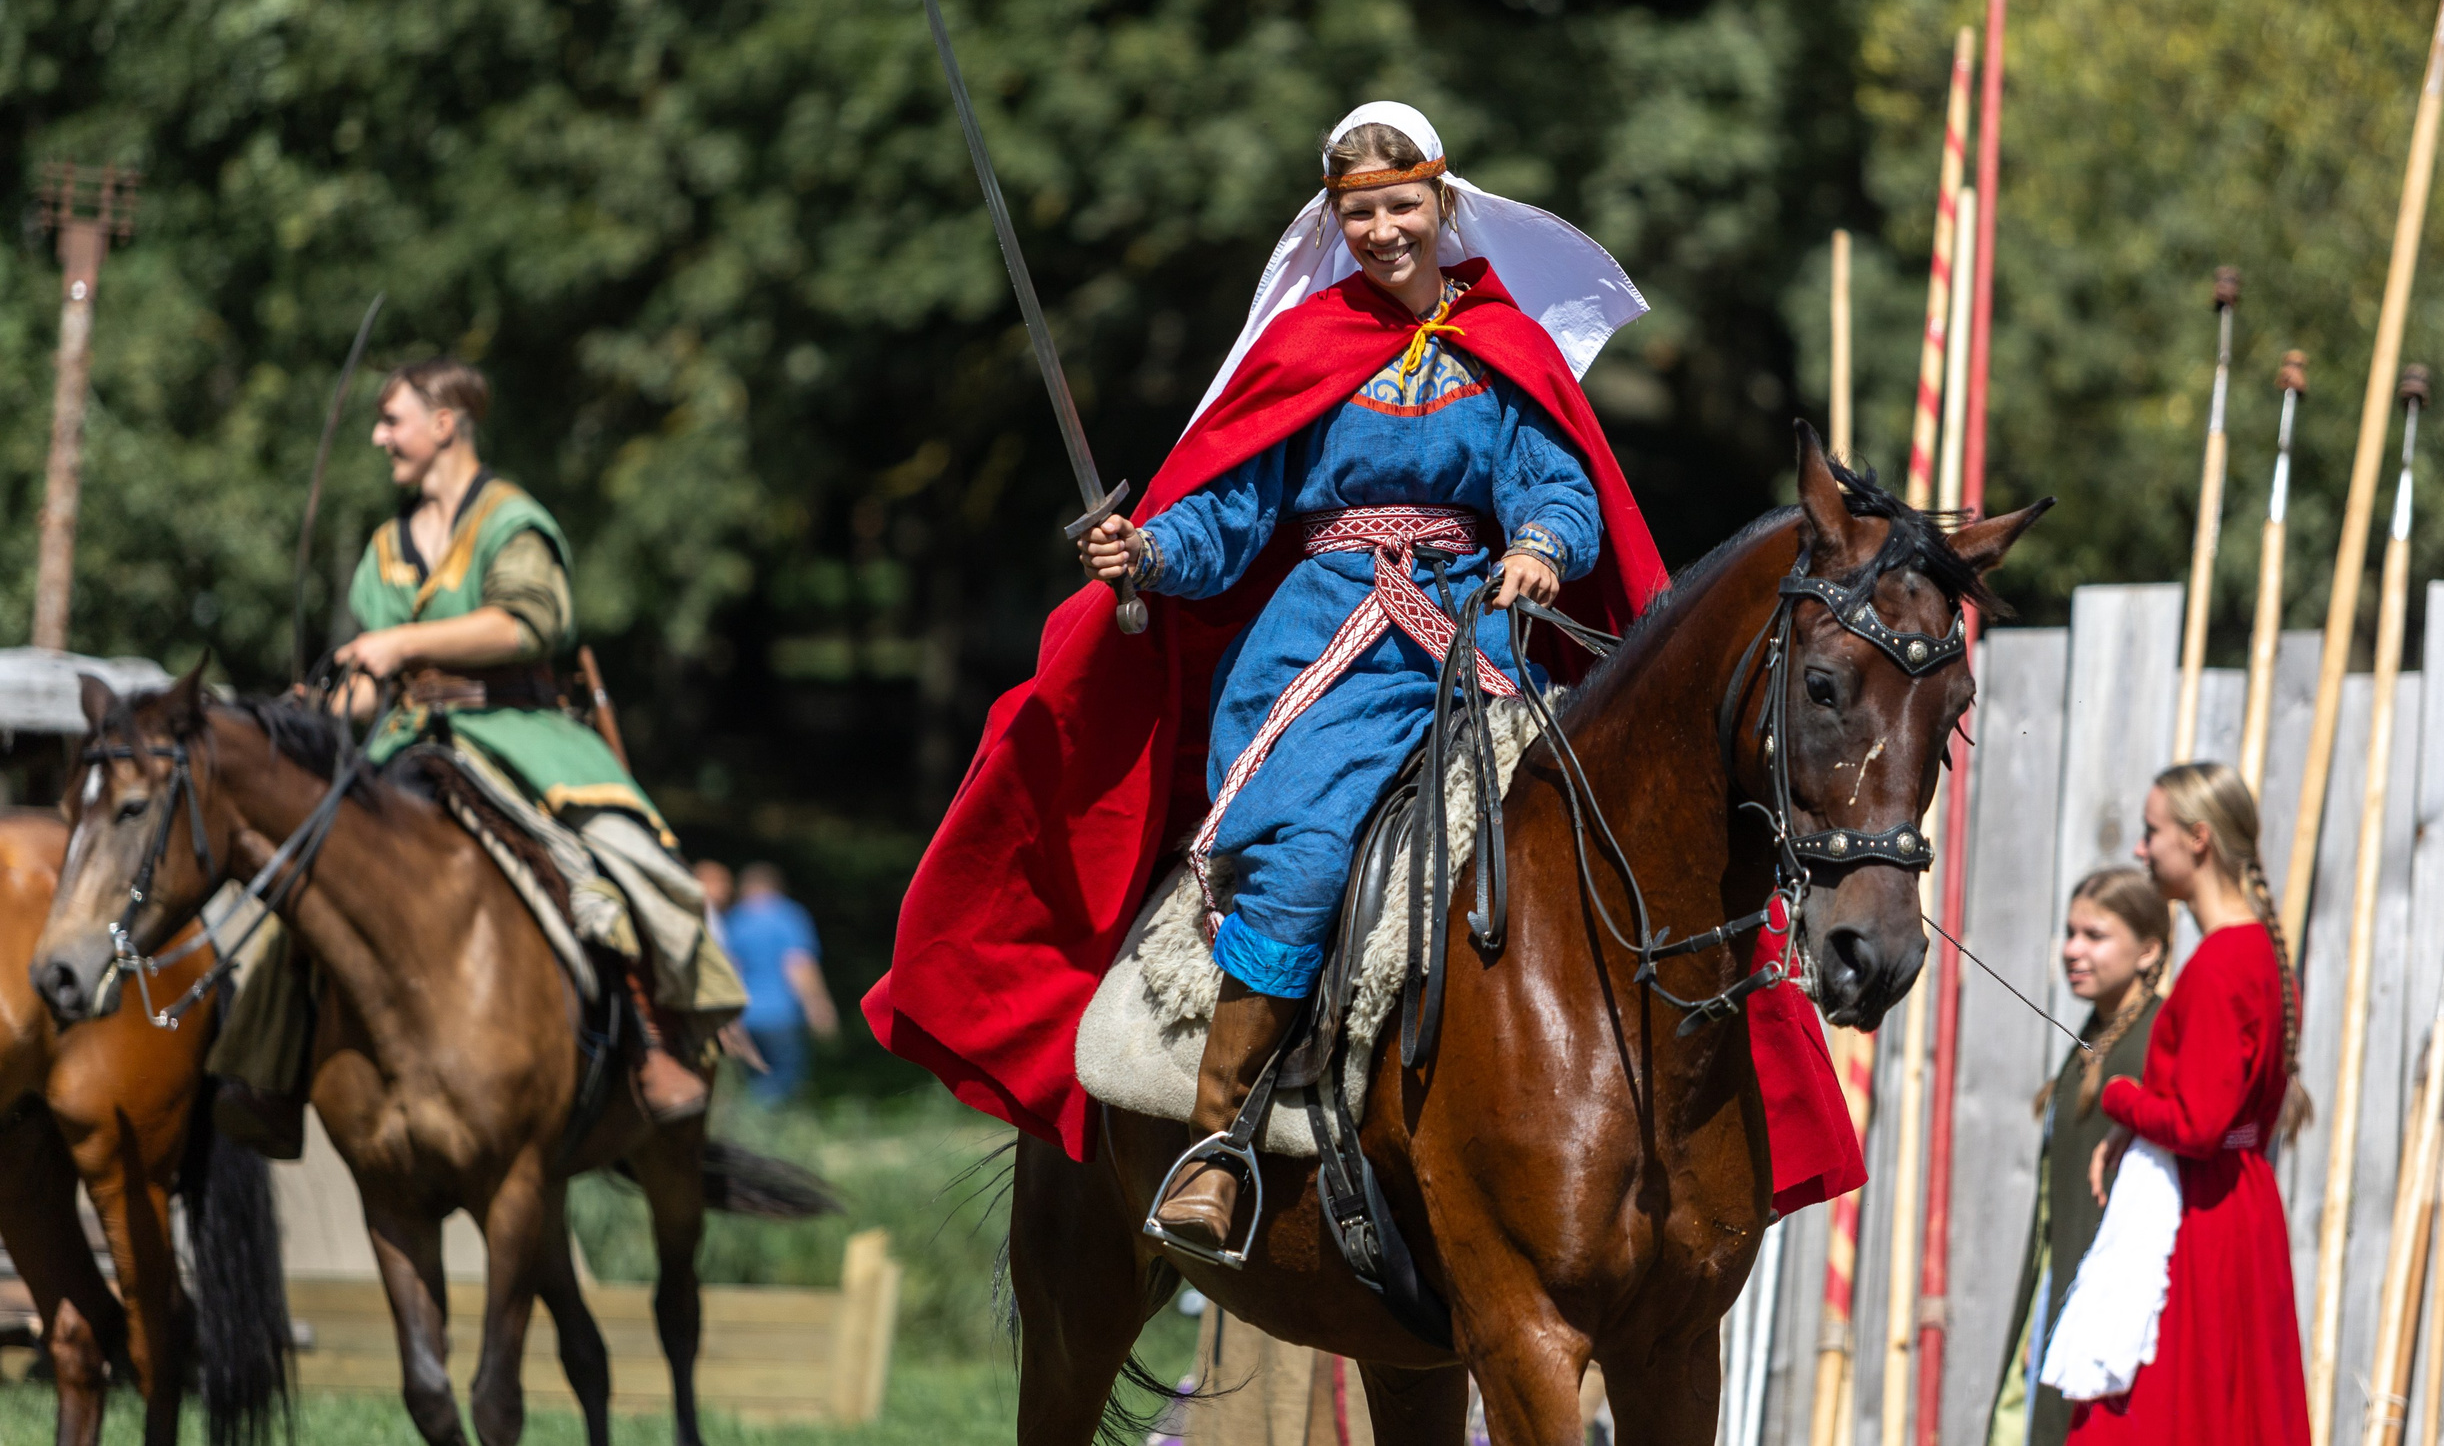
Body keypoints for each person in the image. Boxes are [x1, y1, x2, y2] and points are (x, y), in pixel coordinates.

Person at [863, 101, 1865, 1257]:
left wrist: (1540, 544)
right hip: (1320, 659)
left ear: (1442, 206)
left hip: (1475, 643)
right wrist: (1146, 550)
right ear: (1336, 221)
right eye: (1360, 212)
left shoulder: (1506, 346)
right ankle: (1218, 1145)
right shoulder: (1304, 349)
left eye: (1401, 206)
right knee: (1308, 858)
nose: (1384, 229)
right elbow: (1229, 519)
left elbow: (1560, 484)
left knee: (1589, 835)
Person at [208, 357, 746, 1155]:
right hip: (404, 741)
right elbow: (369, 684)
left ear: (446, 422)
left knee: (622, 859)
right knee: (316, 871)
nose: (378, 436)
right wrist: (318, 711)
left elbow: (529, 624)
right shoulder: (387, 547)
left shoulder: (511, 521)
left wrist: (401, 641)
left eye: (393, 419)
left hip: (521, 733)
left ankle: (652, 1042)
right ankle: (270, 1072)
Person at [2068, 761, 2311, 1445]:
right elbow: (2221, 1110)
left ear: (2198, 840)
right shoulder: (2262, 950)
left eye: (2152, 832)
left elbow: (2199, 1126)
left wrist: (2121, 1098)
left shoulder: (2219, 963)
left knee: (2171, 1418)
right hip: (2243, 1202)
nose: (2141, 849)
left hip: (2201, 1216)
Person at [1994, 866, 2170, 1446]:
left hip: (2116, 1324)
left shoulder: (2160, 1040)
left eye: (2095, 936)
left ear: (2148, 950)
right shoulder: (2097, 1036)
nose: (2072, 950)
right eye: (2070, 933)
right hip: (2059, 1298)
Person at [725, 862, 839, 1102]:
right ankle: (765, 1130)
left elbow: (730, 970)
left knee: (753, 1080)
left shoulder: (734, 921)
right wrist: (818, 1006)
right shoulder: (787, 916)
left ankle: (751, 1126)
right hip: (781, 1014)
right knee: (783, 1080)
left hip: (744, 1014)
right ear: (776, 888)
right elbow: (798, 965)